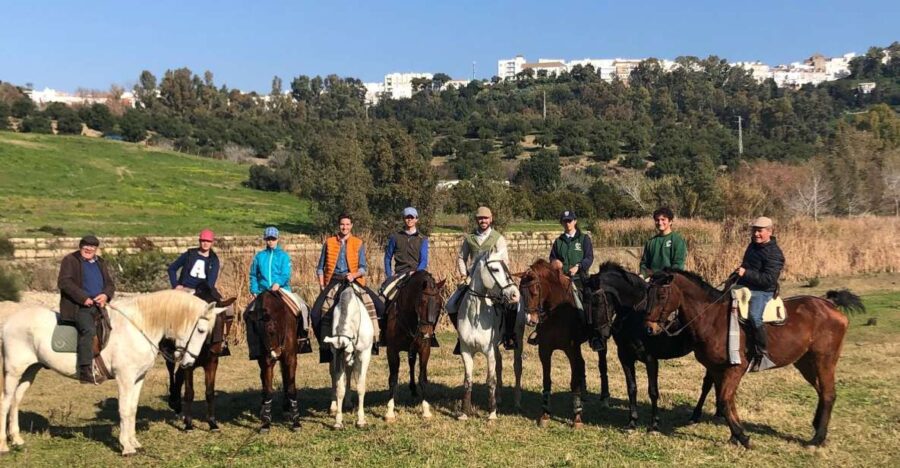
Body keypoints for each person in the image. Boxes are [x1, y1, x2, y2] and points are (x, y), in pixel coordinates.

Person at [310, 214, 384, 363]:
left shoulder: (358, 243)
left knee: (380, 306)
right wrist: (322, 285)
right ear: (339, 226)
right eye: (342, 224)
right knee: (315, 313)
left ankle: (374, 342)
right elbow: (320, 268)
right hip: (334, 280)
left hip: (353, 281)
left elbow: (363, 268)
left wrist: (354, 274)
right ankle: (325, 348)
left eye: (347, 224)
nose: (345, 227)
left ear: (351, 226)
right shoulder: (329, 242)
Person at [448, 206, 515, 353]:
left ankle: (508, 336)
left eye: (485, 218)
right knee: (451, 305)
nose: (483, 221)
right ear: (476, 220)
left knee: (510, 304)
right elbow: (461, 257)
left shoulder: (498, 238)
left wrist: (499, 280)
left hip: (492, 281)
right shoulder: (470, 238)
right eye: (480, 218)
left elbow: (504, 261)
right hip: (472, 280)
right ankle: (461, 337)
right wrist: (464, 275)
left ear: (491, 219)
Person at [57, 235, 116, 384]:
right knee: (88, 331)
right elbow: (64, 282)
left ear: (96, 249)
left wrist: (105, 295)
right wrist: (83, 298)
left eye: (92, 247)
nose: (89, 249)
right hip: (78, 307)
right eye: (86, 246)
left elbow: (110, 284)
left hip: (99, 306)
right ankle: (85, 370)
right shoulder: (70, 260)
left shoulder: (100, 262)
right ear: (80, 246)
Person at [246, 227, 311, 359]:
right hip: (263, 292)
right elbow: (253, 275)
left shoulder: (283, 256)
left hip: (282, 290)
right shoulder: (259, 256)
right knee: (247, 313)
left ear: (277, 239)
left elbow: (286, 274)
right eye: (268, 239)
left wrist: (278, 283)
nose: (271, 241)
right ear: (265, 240)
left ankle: (302, 340)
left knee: (303, 307)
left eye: (273, 239)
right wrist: (254, 290)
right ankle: (254, 346)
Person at [167, 229, 233, 356]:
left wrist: (201, 293)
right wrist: (176, 285)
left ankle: (220, 342)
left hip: (204, 290)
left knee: (228, 308)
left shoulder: (214, 259)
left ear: (212, 243)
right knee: (170, 308)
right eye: (203, 241)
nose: (205, 243)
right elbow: (172, 269)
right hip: (185, 288)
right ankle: (169, 341)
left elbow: (211, 282)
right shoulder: (189, 255)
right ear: (199, 241)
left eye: (208, 241)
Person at [735, 216, 785, 372]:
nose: (756, 234)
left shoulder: (775, 254)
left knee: (755, 316)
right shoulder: (753, 246)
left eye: (759, 231)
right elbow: (746, 265)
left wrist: (746, 273)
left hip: (763, 291)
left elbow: (768, 280)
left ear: (769, 231)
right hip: (745, 286)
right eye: (754, 230)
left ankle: (762, 354)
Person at [548, 210, 598, 349]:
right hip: (561, 279)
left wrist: (579, 266)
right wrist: (555, 263)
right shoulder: (558, 241)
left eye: (570, 220)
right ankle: (541, 332)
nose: (567, 223)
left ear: (575, 221)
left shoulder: (583, 239)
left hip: (579, 278)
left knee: (588, 302)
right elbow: (552, 258)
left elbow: (589, 257)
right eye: (565, 221)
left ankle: (593, 334)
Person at [382, 206, 431, 344]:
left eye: (412, 217)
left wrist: (417, 273)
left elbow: (424, 260)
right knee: (387, 296)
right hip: (399, 275)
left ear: (417, 219)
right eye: (407, 217)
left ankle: (429, 334)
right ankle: (384, 331)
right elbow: (387, 258)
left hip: (416, 275)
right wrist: (389, 275)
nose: (409, 220)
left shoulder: (422, 239)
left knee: (429, 301)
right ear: (403, 219)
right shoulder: (395, 237)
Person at [639, 207, 688, 278]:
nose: (659, 222)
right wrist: (643, 275)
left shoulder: (677, 240)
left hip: (669, 281)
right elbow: (644, 264)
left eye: (663, 220)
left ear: (670, 221)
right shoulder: (651, 242)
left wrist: (664, 276)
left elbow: (678, 265)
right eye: (657, 220)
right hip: (652, 280)